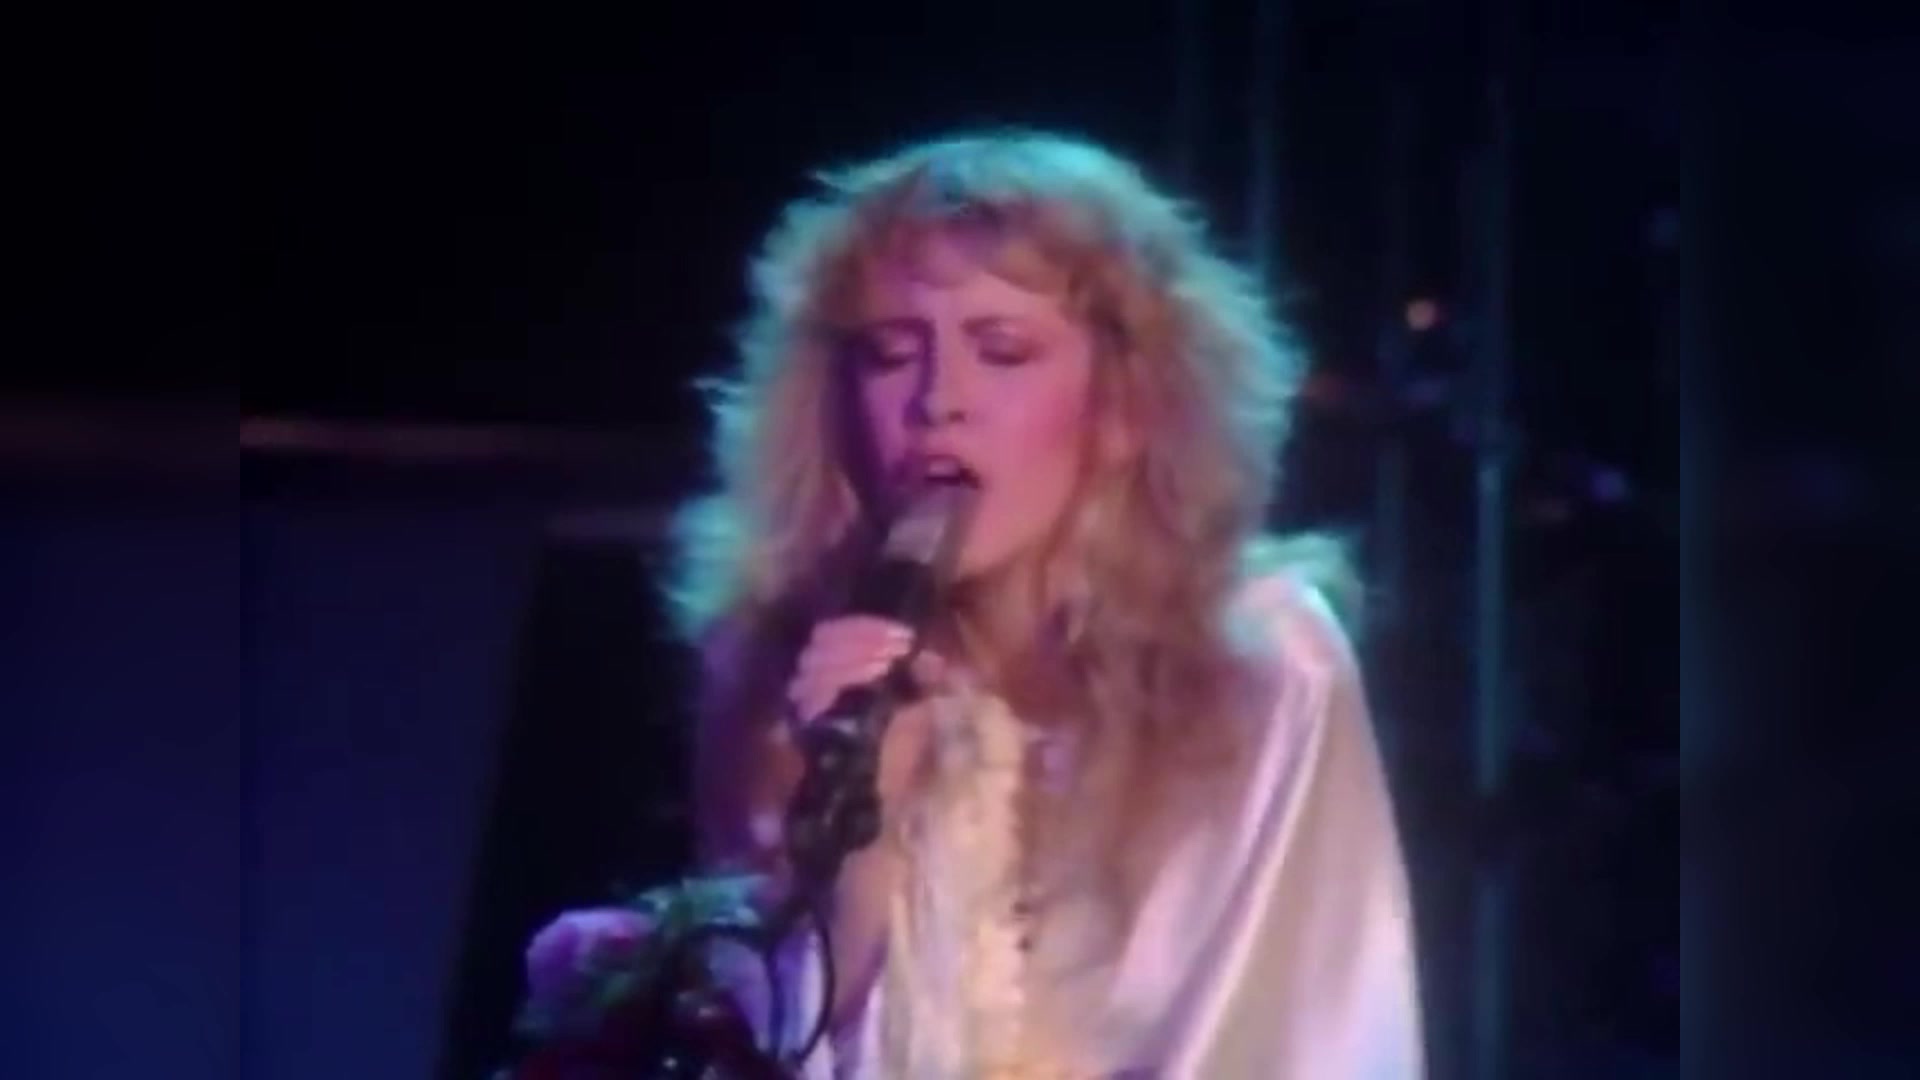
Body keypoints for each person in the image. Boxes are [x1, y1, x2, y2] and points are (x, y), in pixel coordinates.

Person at [524, 129, 1423, 1078]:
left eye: (1003, 351)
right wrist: (856, 830)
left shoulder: (1256, 657)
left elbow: (1284, 1036)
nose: (937, 401)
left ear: (1126, 403)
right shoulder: (776, 671)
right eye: (889, 354)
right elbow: (777, 1048)